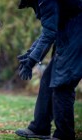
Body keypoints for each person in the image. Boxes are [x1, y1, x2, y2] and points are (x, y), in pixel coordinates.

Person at [15, 0, 82, 139]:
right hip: (69, 33)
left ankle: (64, 135)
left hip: (77, 35)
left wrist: (31, 62)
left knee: (62, 84)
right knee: (48, 79)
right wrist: (29, 54)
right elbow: (48, 30)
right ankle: (40, 127)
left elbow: (49, 34)